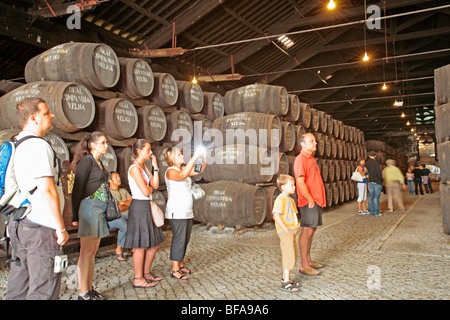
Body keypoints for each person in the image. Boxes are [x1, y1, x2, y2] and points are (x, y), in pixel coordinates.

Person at [6, 97, 68, 300]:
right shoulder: (37, 145)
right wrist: (60, 227)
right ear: (33, 118)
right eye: (46, 113)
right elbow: (47, 189)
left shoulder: (17, 142)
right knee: (43, 288)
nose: (51, 115)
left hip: (21, 222)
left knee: (19, 285)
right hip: (41, 224)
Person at [71, 131, 110, 300]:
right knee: (86, 252)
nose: (106, 145)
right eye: (103, 142)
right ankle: (82, 292)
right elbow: (77, 188)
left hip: (99, 209)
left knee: (93, 252)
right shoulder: (86, 161)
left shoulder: (99, 161)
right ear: (93, 144)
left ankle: (88, 288)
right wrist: (74, 216)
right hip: (89, 208)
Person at [124, 139, 165, 288]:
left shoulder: (144, 167)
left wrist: (155, 167)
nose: (151, 152)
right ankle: (138, 278)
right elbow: (145, 190)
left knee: (154, 242)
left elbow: (154, 185)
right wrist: (149, 188)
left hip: (147, 205)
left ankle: (146, 273)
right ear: (139, 151)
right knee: (140, 245)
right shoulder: (134, 168)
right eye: (148, 150)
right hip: (139, 207)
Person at [164, 146, 206, 280]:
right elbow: (182, 176)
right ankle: (174, 269)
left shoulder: (182, 169)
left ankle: (180, 265)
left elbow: (199, 170)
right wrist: (194, 157)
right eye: (179, 154)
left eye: (182, 154)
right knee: (178, 239)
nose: (182, 156)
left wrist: (202, 157)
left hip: (187, 211)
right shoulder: (171, 171)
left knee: (185, 239)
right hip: (177, 211)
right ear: (172, 158)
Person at [293, 133, 325, 276]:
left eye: (315, 141)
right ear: (303, 144)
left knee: (312, 230)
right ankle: (304, 265)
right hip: (308, 202)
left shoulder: (311, 158)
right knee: (307, 231)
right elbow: (300, 182)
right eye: (311, 141)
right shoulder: (301, 159)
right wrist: (310, 199)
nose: (315, 143)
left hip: (315, 200)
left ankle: (309, 260)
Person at [272, 174, 300, 292]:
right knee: (288, 254)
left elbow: (293, 214)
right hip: (285, 231)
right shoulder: (280, 200)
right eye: (291, 185)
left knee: (292, 253)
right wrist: (285, 229)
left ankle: (286, 278)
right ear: (283, 187)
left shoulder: (291, 200)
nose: (294, 187)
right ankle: (286, 282)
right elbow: (276, 215)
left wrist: (297, 224)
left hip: (293, 229)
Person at [108, 171, 132, 262]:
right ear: (110, 180)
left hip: (127, 215)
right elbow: (116, 209)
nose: (119, 179)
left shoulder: (123, 190)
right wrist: (126, 204)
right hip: (114, 217)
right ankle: (119, 249)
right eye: (116, 177)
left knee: (138, 222)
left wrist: (123, 203)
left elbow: (132, 202)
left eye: (119, 177)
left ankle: (134, 247)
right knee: (125, 226)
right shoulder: (108, 192)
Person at [365, 151, 383, 216]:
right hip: (377, 182)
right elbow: (378, 173)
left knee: (370, 197)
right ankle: (376, 212)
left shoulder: (366, 163)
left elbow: (366, 172)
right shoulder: (376, 163)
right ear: (375, 156)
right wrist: (381, 180)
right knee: (376, 197)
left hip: (370, 182)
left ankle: (371, 211)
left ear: (369, 155)